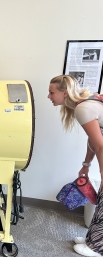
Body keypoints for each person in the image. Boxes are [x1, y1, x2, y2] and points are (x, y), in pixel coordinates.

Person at [48, 75, 103, 257]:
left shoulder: (83, 108)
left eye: (52, 92)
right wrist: (86, 165)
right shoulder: (83, 104)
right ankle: (92, 240)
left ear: (65, 93)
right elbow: (94, 140)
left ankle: (96, 248)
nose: (49, 96)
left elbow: (101, 145)